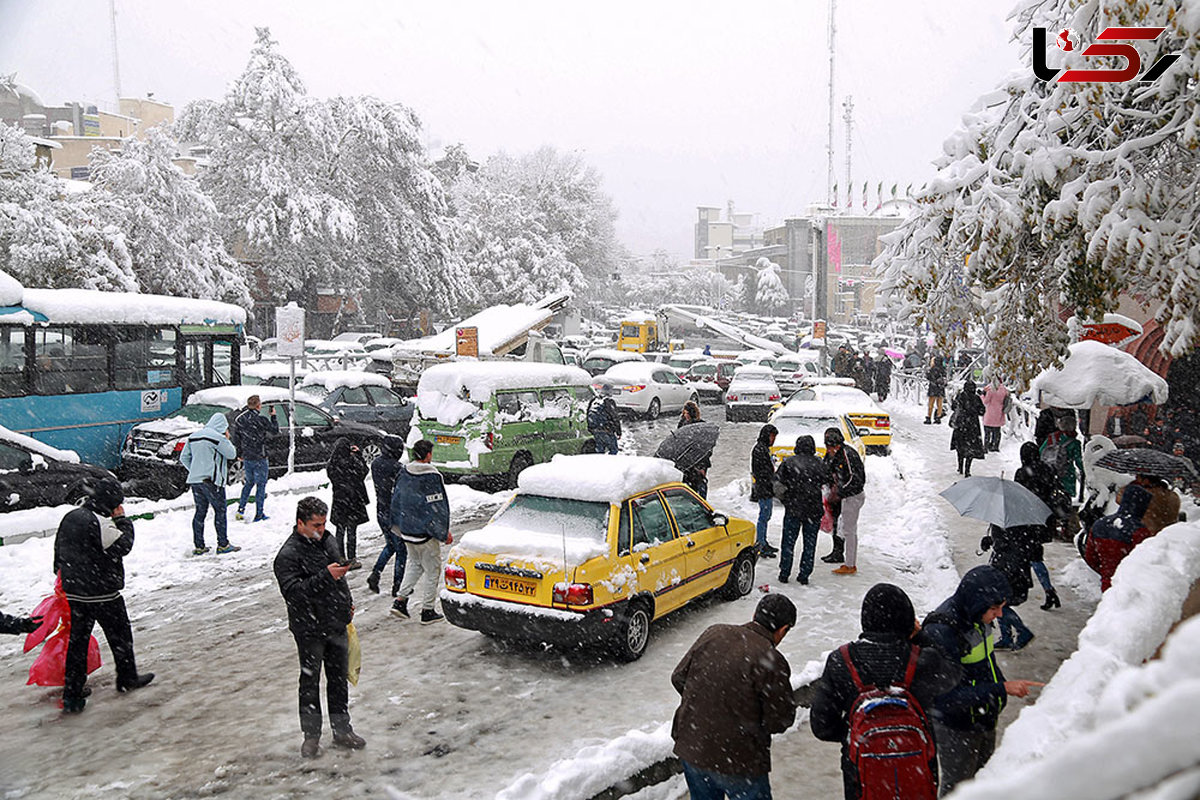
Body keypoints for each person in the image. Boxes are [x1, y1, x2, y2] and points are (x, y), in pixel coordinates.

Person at [811, 583, 958, 800]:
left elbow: (821, 726)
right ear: (906, 621)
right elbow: (953, 673)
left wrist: (854, 732)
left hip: (863, 776)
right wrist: (920, 636)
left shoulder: (841, 660)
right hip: (916, 770)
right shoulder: (923, 660)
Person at [919, 565, 1042, 794]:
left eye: (1002, 607)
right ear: (977, 602)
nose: (1000, 615)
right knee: (958, 789)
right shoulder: (943, 631)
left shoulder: (978, 618)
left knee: (984, 784)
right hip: (957, 726)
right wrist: (1000, 688)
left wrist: (998, 691)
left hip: (983, 718)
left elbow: (986, 663)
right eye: (995, 608)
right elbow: (944, 698)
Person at [671, 594, 798, 799]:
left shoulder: (714, 632)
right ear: (783, 630)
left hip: (692, 747)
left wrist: (706, 704)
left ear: (755, 614)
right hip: (740, 761)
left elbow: (678, 677)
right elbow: (780, 720)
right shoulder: (771, 659)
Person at [273, 496, 365, 758]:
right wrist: (326, 576)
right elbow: (294, 593)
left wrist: (347, 603)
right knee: (310, 681)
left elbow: (339, 577)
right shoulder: (288, 556)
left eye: (323, 524)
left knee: (338, 680)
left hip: (336, 623)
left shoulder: (328, 539)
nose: (321, 529)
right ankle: (311, 736)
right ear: (300, 523)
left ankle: (342, 729)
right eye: (315, 525)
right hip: (309, 629)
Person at [53, 478, 154, 714]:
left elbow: (59, 550)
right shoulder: (100, 522)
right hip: (102, 593)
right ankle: (127, 679)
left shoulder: (72, 516)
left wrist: (64, 579)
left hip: (76, 591)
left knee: (78, 643)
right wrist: (122, 520)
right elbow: (123, 546)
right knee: (120, 637)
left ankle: (73, 694)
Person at [390, 439, 452, 624]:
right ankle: (427, 610)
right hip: (424, 533)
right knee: (433, 570)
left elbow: (397, 500)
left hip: (407, 530)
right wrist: (442, 532)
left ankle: (400, 601)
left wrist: (397, 525)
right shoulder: (431, 476)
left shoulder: (404, 472)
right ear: (428, 455)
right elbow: (437, 507)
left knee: (415, 564)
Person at [180, 411, 241, 555]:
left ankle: (199, 545)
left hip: (195, 481)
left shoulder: (193, 436)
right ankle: (223, 544)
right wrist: (227, 438)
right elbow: (231, 454)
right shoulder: (218, 438)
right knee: (220, 512)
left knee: (200, 512)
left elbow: (184, 457)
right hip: (212, 481)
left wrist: (195, 470)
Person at [1013, 442, 1063, 610]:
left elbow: (1017, 496)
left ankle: (1045, 590)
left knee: (1030, 556)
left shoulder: (1022, 473)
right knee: (1034, 554)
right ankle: (1048, 590)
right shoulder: (1048, 470)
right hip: (1044, 518)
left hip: (1027, 520)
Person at [774, 435, 827, 585]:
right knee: (810, 544)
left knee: (788, 543)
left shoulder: (788, 463)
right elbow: (827, 480)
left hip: (794, 509)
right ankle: (804, 574)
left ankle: (784, 572)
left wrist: (786, 500)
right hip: (813, 510)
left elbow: (777, 485)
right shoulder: (819, 463)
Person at [1085, 484, 1153, 592]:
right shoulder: (1140, 531)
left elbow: (1090, 556)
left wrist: (1106, 572)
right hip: (1131, 588)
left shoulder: (1100, 524)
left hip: (1107, 584)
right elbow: (1146, 562)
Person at [979, 525, 1037, 650]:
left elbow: (1006, 545)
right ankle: (1006, 637)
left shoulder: (1005, 523)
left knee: (999, 604)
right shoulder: (1007, 521)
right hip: (1011, 569)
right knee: (1000, 603)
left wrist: (993, 542)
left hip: (1010, 572)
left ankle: (1023, 631)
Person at [366, 438, 407, 597]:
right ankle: (398, 585)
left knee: (390, 545)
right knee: (401, 550)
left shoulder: (376, 464)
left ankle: (376, 573)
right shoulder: (397, 468)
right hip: (395, 514)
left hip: (381, 510)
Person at [823, 427, 866, 575]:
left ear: (837, 445)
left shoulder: (848, 454)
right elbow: (827, 469)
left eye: (830, 447)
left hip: (852, 497)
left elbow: (857, 478)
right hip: (845, 497)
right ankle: (846, 560)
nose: (828, 450)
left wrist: (840, 492)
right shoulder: (833, 454)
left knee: (849, 530)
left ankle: (850, 564)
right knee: (844, 528)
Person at [232, 394, 279, 522]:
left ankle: (241, 509)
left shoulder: (240, 419)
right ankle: (259, 514)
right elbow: (275, 430)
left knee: (248, 483)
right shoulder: (262, 420)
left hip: (247, 457)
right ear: (259, 406)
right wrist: (273, 416)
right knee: (261, 485)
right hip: (260, 455)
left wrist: (240, 453)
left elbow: (236, 439)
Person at [327, 437, 370, 570]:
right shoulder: (353, 461)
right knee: (352, 531)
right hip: (353, 500)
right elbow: (364, 471)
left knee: (340, 530)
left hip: (339, 500)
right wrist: (358, 455)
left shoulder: (332, 464)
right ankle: (351, 558)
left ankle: (340, 557)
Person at [750, 423, 780, 559]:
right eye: (772, 436)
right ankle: (761, 543)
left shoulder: (764, 449)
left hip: (766, 488)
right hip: (764, 489)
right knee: (764, 516)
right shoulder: (759, 450)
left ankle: (763, 541)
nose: (773, 440)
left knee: (766, 515)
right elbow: (761, 472)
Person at [1040, 415, 1085, 503]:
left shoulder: (1052, 438)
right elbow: (1078, 461)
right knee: (1065, 499)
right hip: (1066, 474)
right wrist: (1085, 470)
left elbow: (1041, 451)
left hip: (1051, 473)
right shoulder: (1075, 443)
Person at [949, 380, 985, 477]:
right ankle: (967, 470)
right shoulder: (976, 398)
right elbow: (982, 411)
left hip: (961, 425)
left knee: (960, 446)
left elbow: (953, 407)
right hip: (972, 426)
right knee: (970, 448)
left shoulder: (960, 396)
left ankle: (960, 466)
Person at [587, 386, 622, 455]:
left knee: (600, 450)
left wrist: (591, 428)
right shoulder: (609, 401)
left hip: (596, 430)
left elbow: (588, 413)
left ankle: (600, 463)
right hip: (607, 430)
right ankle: (610, 464)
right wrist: (618, 432)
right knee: (614, 450)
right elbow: (614, 417)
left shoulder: (594, 400)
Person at [980, 381, 1008, 453]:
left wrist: (982, 396)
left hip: (989, 413)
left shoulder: (990, 389)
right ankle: (995, 446)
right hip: (999, 412)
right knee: (997, 431)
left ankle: (986, 447)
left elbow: (985, 401)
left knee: (987, 432)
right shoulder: (1004, 389)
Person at [925, 357, 946, 425]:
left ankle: (929, 417)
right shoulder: (943, 369)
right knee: (939, 404)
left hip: (933, 388)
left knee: (931, 404)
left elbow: (928, 377)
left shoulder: (932, 369)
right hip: (940, 388)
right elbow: (945, 378)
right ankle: (938, 417)